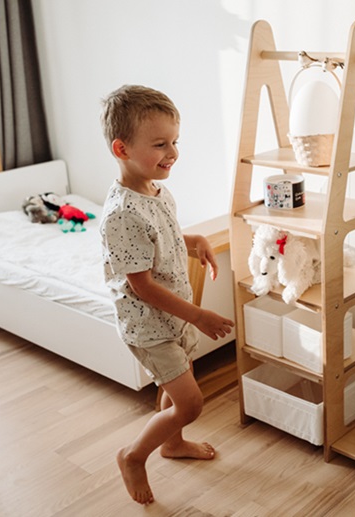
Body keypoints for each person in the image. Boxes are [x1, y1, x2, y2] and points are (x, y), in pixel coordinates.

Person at [99, 85, 234, 505]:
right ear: (122, 149)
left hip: (173, 318)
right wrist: (198, 315)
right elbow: (141, 285)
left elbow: (165, 237)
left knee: (175, 390)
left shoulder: (157, 191)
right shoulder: (122, 213)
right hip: (150, 327)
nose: (172, 152)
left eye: (175, 141)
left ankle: (172, 444)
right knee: (190, 404)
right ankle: (133, 455)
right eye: (160, 144)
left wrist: (194, 241)